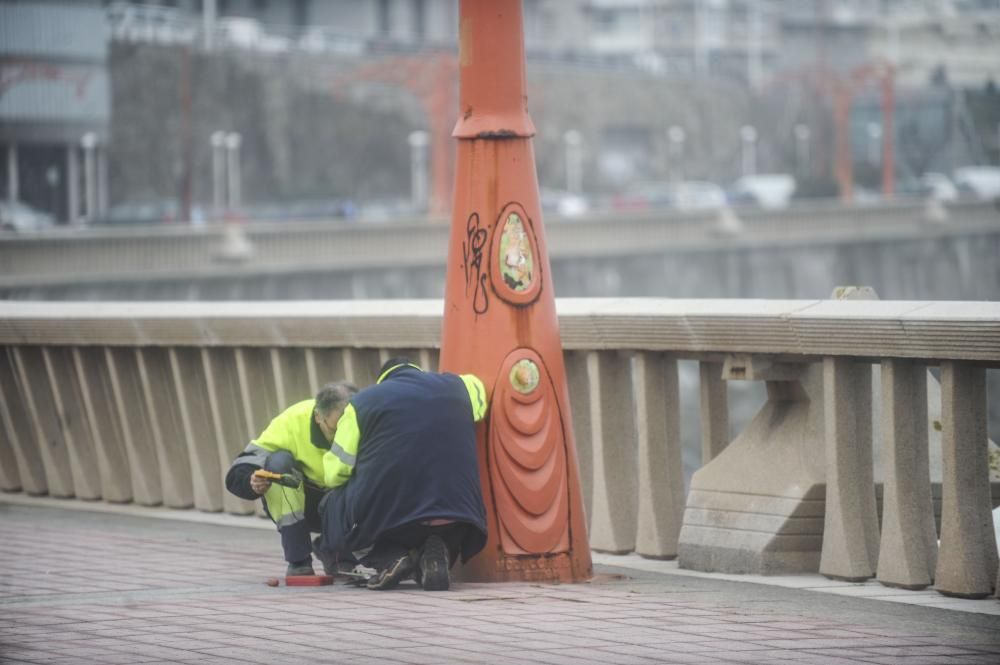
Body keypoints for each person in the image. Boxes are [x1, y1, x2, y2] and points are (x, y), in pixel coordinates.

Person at [318, 358, 489, 591]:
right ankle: (434, 554)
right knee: (436, 517)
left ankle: (389, 557)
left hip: (394, 518)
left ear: (382, 380)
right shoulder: (462, 386)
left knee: (331, 504)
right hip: (461, 515)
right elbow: (480, 395)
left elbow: (335, 473)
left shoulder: (361, 403)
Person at [225, 381, 357, 577]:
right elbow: (240, 469)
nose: (340, 437)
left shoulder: (364, 420)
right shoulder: (292, 421)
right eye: (334, 429)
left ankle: (338, 554)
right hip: (306, 504)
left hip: (342, 503)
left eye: (346, 429)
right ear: (318, 416)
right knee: (279, 462)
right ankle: (299, 560)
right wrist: (251, 483)